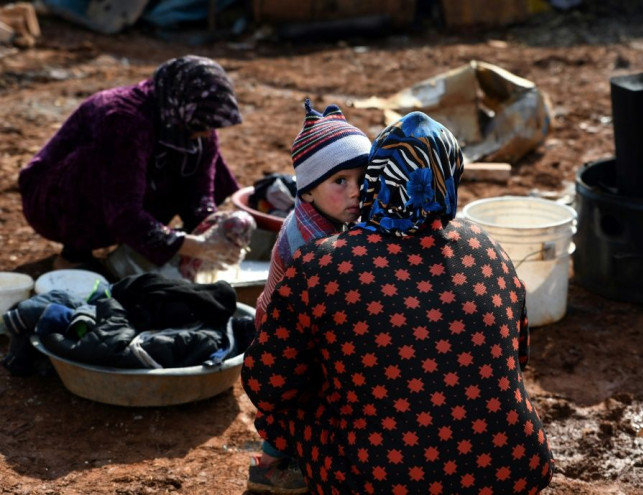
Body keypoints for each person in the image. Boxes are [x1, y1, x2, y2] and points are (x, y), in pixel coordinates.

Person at [242, 112, 554, 494]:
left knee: (298, 392)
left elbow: (267, 386)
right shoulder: (485, 247)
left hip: (386, 480)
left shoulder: (322, 264)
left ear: (377, 176)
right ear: (449, 176)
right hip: (515, 472)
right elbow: (519, 356)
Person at [18, 55, 245, 277]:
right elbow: (123, 210)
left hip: (124, 184)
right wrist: (194, 246)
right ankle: (74, 253)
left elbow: (201, 191)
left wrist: (211, 230)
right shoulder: (124, 120)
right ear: (181, 102)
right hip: (54, 199)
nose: (207, 131)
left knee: (195, 154)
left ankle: (149, 242)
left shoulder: (187, 119)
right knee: (112, 170)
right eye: (203, 124)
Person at [246, 98, 372, 494]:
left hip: (304, 325)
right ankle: (267, 467)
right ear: (307, 192)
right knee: (293, 404)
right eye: (340, 182)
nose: (356, 192)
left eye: (362, 179)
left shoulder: (331, 217)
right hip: (286, 338)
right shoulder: (311, 241)